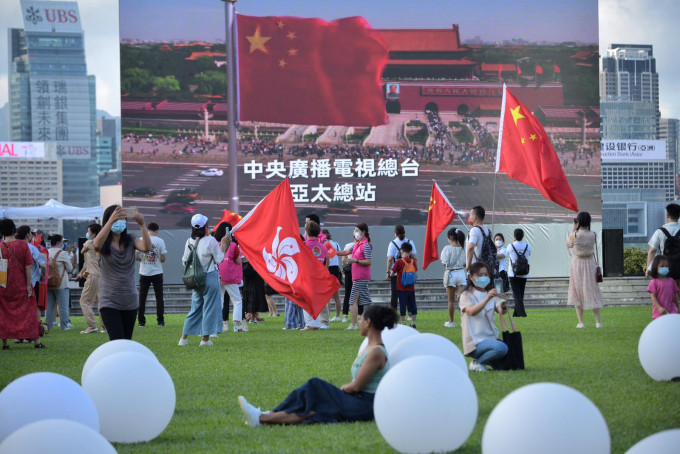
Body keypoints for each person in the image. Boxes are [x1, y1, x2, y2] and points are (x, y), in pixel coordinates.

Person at [237, 305, 399, 427]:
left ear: (368, 322)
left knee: (315, 385)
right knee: (315, 410)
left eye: (362, 319)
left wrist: (338, 390)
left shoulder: (376, 352)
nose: (360, 322)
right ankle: (261, 419)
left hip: (364, 405)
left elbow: (356, 386)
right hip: (356, 401)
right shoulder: (369, 348)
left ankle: (264, 414)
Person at [93, 205, 152, 341]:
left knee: (126, 342)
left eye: (123, 218)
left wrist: (142, 225)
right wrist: (111, 220)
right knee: (117, 341)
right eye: (117, 218)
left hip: (130, 300)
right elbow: (96, 245)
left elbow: (147, 248)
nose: (120, 221)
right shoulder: (103, 243)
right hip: (109, 301)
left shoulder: (131, 239)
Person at [179, 214, 228, 346]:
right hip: (210, 276)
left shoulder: (189, 241)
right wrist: (224, 244)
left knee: (195, 308)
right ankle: (205, 340)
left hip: (195, 278)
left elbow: (184, 261)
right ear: (205, 226)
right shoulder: (210, 240)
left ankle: (183, 338)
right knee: (210, 307)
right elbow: (219, 259)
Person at [0, 218, 45, 349]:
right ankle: (36, 342)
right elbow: (28, 266)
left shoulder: (0, 246)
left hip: (4, 285)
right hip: (21, 284)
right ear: (14, 229)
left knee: (4, 312)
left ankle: (5, 343)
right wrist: (28, 286)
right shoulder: (23, 245)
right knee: (29, 311)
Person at [459, 261, 508, 372]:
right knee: (502, 348)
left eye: (486, 275)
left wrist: (504, 304)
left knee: (504, 364)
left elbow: (501, 311)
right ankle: (477, 362)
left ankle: (485, 362)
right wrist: (487, 299)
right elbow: (471, 311)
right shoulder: (466, 295)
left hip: (491, 339)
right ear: (471, 277)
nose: (484, 278)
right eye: (480, 275)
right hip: (475, 342)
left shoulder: (489, 293)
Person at [566, 212, 604, 328]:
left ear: (578, 222)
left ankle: (581, 322)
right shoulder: (593, 234)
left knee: (576, 290)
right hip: (590, 263)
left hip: (577, 263)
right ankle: (598, 322)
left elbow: (568, 245)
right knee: (592, 289)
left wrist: (573, 229)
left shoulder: (575, 235)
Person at [336, 224, 373, 330]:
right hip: (357, 277)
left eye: (357, 230)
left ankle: (353, 324)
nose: (355, 232)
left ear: (363, 232)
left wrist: (355, 260)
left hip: (361, 277)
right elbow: (346, 252)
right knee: (366, 301)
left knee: (352, 301)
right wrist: (334, 252)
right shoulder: (357, 244)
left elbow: (369, 261)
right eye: (354, 230)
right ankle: (376, 319)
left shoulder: (366, 245)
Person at [135, 222, 167, 327]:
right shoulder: (160, 241)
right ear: (157, 230)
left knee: (142, 297)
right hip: (157, 272)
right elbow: (163, 258)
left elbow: (136, 256)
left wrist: (142, 260)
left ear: (148, 230)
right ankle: (160, 321)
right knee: (159, 297)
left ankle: (141, 321)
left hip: (144, 272)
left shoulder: (141, 240)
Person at [216, 222, 246, 333]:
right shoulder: (233, 245)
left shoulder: (215, 243)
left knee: (219, 300)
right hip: (230, 276)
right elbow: (238, 261)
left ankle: (218, 325)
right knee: (237, 300)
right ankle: (237, 327)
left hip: (217, 275)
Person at [301, 221, 329, 330]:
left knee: (307, 301)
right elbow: (326, 263)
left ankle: (310, 324)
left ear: (307, 231)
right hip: (319, 277)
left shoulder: (304, 246)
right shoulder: (323, 247)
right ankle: (316, 323)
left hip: (307, 276)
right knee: (317, 301)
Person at [76, 224, 103, 334]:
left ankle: (92, 326)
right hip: (100, 275)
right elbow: (88, 261)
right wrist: (81, 272)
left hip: (93, 275)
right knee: (100, 302)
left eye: (89, 231)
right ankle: (104, 327)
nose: (87, 233)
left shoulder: (89, 243)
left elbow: (82, 252)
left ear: (94, 233)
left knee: (84, 301)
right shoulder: (102, 242)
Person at [386, 225, 417, 314]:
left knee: (394, 294)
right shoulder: (410, 242)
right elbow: (415, 258)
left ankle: (393, 313)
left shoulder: (392, 243)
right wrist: (415, 272)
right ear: (404, 232)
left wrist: (388, 272)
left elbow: (389, 259)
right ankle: (410, 313)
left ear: (395, 234)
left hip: (396, 273)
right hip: (409, 272)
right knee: (408, 293)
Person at [45, 234, 73, 331]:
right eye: (61, 241)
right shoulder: (63, 253)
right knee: (63, 306)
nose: (62, 243)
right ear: (58, 242)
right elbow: (70, 268)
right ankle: (64, 325)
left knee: (49, 307)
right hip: (61, 283)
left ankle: (48, 326)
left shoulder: (46, 252)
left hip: (48, 282)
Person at [646, 203, 680, 279]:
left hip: (664, 271)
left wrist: (649, 268)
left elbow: (652, 251)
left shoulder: (660, 231)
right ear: (679, 216)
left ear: (667, 215)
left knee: (665, 290)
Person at [441, 228, 466, 328]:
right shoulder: (463, 248)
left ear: (451, 237)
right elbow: (465, 263)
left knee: (451, 300)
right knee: (461, 299)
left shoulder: (447, 249)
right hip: (461, 273)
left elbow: (444, 263)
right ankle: (464, 321)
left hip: (451, 274)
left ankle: (451, 322)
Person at [391, 241, 418, 329]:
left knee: (403, 304)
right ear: (410, 252)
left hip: (401, 287)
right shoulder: (413, 261)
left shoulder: (399, 261)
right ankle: (413, 323)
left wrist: (391, 274)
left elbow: (393, 272)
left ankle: (403, 323)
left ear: (401, 251)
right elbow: (416, 273)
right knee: (412, 305)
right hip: (411, 288)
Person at [465, 206, 497, 275]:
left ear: (475, 217)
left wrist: (468, 265)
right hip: (486, 269)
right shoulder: (487, 230)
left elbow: (470, 247)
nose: (469, 217)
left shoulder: (474, 230)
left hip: (476, 270)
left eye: (470, 215)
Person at [507, 229, 531, 317]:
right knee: (521, 293)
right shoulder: (528, 246)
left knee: (516, 294)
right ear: (523, 236)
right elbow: (529, 254)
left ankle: (522, 313)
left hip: (513, 273)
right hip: (524, 272)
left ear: (514, 236)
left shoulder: (510, 246)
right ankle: (516, 313)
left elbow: (508, 254)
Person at [647, 255, 680, 319]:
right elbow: (653, 296)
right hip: (659, 313)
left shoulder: (671, 281)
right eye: (662, 266)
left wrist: (678, 307)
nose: (664, 268)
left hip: (672, 311)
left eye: (666, 266)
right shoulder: (654, 282)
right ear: (655, 267)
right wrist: (659, 307)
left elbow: (675, 295)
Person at [323, 229, 343, 322]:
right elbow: (338, 254)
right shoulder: (336, 244)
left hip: (328, 269)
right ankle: (337, 316)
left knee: (328, 295)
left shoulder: (323, 245)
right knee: (336, 295)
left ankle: (328, 316)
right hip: (335, 269)